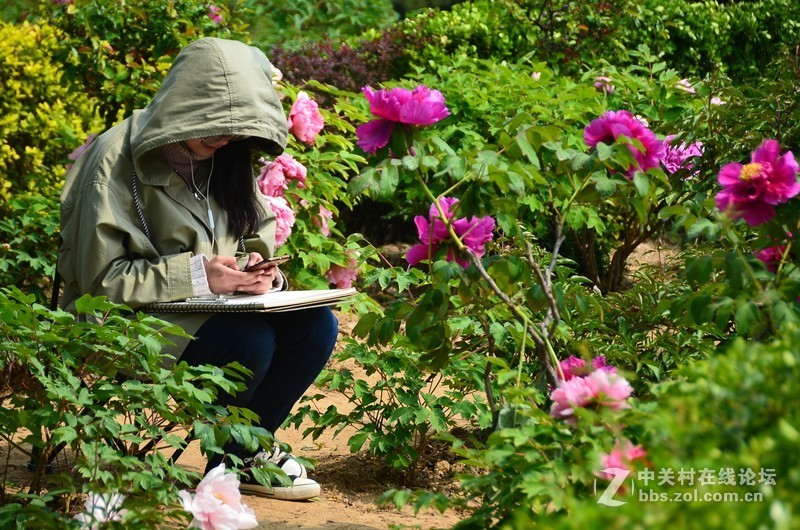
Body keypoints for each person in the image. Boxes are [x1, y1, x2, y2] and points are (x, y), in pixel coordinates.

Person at [58, 37, 338, 501]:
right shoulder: (114, 159)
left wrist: (261, 274)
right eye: (217, 125)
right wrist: (197, 275)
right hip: (128, 319)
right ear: (185, 103)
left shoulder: (227, 156)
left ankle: (245, 454)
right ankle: (237, 457)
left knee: (317, 326)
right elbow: (98, 283)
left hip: (216, 309)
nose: (226, 137)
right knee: (250, 342)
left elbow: (253, 239)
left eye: (237, 128)